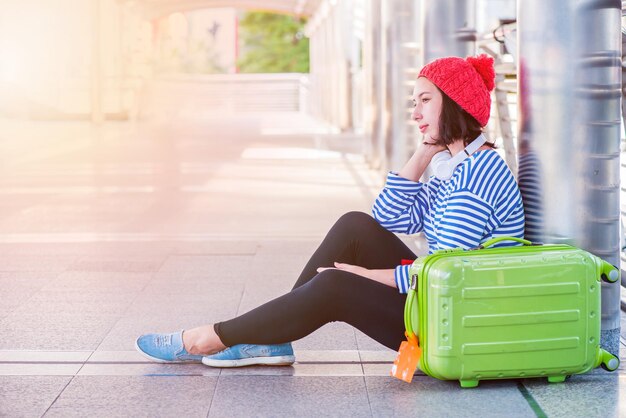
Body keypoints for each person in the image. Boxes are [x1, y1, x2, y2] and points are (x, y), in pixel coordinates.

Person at [135, 54, 525, 367]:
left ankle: (206, 337)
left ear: (454, 104)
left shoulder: (476, 176)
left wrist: (365, 275)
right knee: (354, 226)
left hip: (458, 325)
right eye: (415, 102)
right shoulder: (454, 164)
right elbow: (389, 218)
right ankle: (272, 339)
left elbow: (443, 272)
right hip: (443, 301)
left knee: (335, 284)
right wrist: (422, 155)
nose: (416, 113)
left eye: (426, 101)